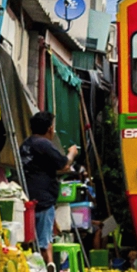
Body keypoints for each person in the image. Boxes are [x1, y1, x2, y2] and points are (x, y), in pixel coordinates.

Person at [21, 111, 79, 263]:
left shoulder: (26, 144)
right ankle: (48, 270)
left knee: (29, 239)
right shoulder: (44, 144)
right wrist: (71, 153)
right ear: (50, 129)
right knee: (45, 241)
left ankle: (38, 269)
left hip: (27, 198)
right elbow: (65, 164)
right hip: (44, 199)